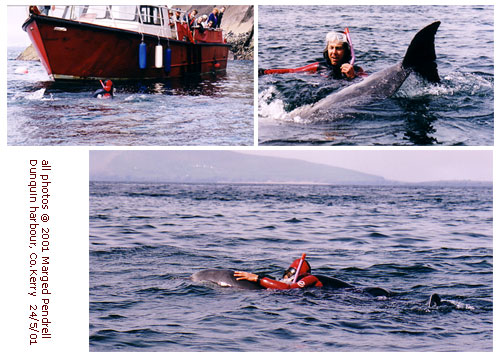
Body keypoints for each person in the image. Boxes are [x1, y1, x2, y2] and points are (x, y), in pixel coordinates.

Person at [259, 29, 365, 79]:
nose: (334, 52)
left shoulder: (356, 70)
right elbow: (293, 71)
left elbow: (370, 82)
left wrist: (353, 76)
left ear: (346, 51)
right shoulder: (319, 67)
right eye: (331, 48)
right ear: (327, 49)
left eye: (338, 49)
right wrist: (264, 72)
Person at [234, 257, 324, 289]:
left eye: (290, 273)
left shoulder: (311, 278)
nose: (286, 277)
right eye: (286, 273)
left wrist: (257, 278)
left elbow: (288, 288)